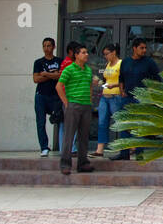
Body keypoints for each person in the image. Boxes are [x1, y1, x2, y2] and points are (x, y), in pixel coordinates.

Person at [117, 37, 161, 159]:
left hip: (141, 99)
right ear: (134, 48)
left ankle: (139, 153)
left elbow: (157, 79)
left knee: (140, 126)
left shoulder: (149, 62)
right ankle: (123, 153)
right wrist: (121, 90)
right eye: (141, 48)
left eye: (145, 48)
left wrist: (150, 94)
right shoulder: (125, 62)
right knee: (125, 125)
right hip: (127, 97)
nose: (144, 50)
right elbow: (121, 77)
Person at [57, 46, 97, 176]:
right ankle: (65, 164)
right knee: (69, 135)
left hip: (86, 105)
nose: (86, 55)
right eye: (83, 53)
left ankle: (83, 163)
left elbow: (90, 85)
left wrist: (90, 100)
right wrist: (66, 103)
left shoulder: (88, 70)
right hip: (73, 105)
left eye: (87, 52)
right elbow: (58, 86)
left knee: (84, 136)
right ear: (76, 55)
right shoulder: (69, 69)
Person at [32, 37, 63, 157]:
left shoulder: (59, 61)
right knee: (40, 122)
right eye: (44, 46)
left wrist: (45, 74)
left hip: (56, 95)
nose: (46, 48)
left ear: (54, 47)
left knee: (60, 119)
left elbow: (61, 76)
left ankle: (63, 146)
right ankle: (44, 147)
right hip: (41, 96)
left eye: (49, 45)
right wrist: (52, 75)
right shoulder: (38, 62)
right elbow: (36, 79)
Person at [92, 43, 124, 159]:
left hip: (116, 95)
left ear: (113, 52)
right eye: (104, 54)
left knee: (119, 122)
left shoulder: (121, 64)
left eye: (107, 54)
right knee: (102, 122)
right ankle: (99, 149)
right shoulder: (108, 65)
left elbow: (124, 81)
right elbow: (106, 79)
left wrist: (113, 85)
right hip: (105, 95)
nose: (105, 56)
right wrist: (100, 83)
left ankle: (127, 147)